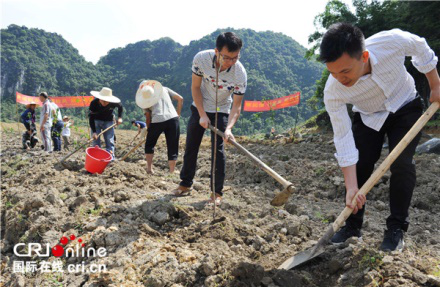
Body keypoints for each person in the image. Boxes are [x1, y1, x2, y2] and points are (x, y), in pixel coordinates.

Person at [319, 23, 440, 251]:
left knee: (402, 163)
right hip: (368, 116)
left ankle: (396, 229)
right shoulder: (333, 91)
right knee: (361, 165)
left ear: (363, 56)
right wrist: (351, 186)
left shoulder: (390, 42)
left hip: (405, 104)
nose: (339, 79)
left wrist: (435, 84)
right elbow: (343, 138)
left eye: (345, 71)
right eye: (332, 72)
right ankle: (352, 227)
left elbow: (421, 47)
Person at [173, 32, 247, 205]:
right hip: (200, 106)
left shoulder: (240, 73)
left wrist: (228, 128)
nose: (231, 62)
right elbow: (196, 87)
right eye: (227, 58)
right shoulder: (201, 60)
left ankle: (216, 192)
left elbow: (236, 106)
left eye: (235, 58)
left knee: (218, 151)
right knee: (191, 146)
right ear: (216, 51)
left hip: (222, 109)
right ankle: (185, 184)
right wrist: (202, 114)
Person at [135, 80, 183, 174]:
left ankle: (149, 169)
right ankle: (172, 172)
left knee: (149, 144)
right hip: (173, 118)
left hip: (157, 120)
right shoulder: (164, 89)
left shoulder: (144, 99)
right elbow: (180, 98)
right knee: (173, 145)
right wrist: (178, 114)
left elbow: (148, 117)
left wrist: (149, 130)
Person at [88, 87, 123, 157]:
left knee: (110, 140)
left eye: (106, 101)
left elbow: (120, 107)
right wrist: (94, 131)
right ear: (99, 98)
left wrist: (119, 118)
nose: (104, 103)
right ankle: (96, 158)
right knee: (96, 141)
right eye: (103, 100)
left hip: (108, 121)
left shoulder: (114, 103)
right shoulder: (94, 103)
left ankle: (111, 159)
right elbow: (91, 117)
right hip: (96, 121)